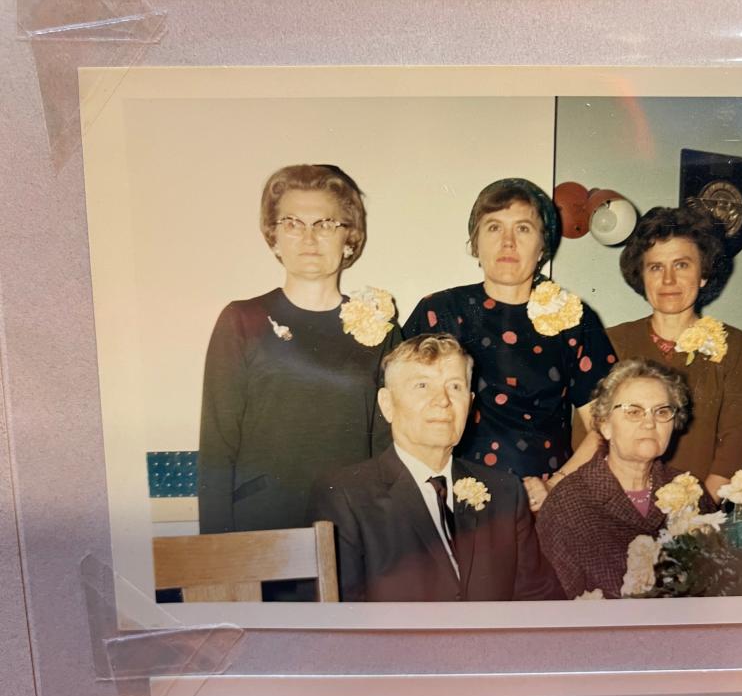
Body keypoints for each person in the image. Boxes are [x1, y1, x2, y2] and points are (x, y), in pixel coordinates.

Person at [197, 164, 401, 534]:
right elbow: (217, 447)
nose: (309, 239)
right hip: (262, 525)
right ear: (274, 237)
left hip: (351, 527)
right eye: (293, 223)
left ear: (350, 238)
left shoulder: (380, 329)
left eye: (325, 224)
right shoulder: (242, 320)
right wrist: (215, 555)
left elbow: (391, 449)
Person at [403, 178, 616, 509]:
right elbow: (402, 416)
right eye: (493, 228)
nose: (507, 242)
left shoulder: (573, 317)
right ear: (475, 243)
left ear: (543, 245)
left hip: (543, 503)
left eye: (523, 229)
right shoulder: (439, 312)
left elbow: (607, 425)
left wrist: (556, 486)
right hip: (453, 503)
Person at [309, 334, 562, 602]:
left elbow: (540, 603)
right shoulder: (345, 497)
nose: (442, 400)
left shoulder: (505, 493)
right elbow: (340, 627)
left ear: (470, 402)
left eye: (454, 387)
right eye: (422, 385)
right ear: (387, 405)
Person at [605, 204, 742, 501]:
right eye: (656, 267)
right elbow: (591, 436)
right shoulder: (612, 341)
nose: (668, 280)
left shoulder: (733, 346)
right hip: (617, 506)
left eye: (682, 265)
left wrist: (692, 522)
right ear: (642, 276)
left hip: (697, 511)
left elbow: (734, 448)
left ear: (703, 274)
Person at [536, 359, 716, 599]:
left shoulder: (691, 491)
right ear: (605, 425)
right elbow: (555, 605)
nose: (650, 422)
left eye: (662, 411)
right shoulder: (568, 503)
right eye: (633, 411)